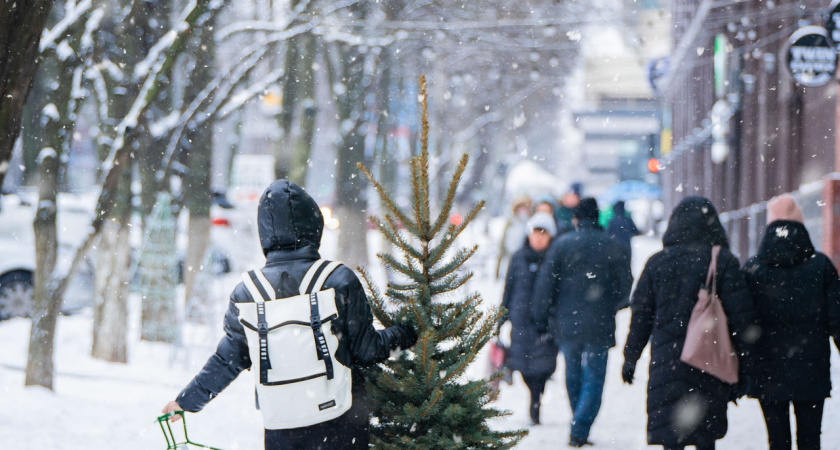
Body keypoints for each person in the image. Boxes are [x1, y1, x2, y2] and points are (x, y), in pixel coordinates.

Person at [161, 179, 418, 450]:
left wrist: (186, 401)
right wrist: (409, 331)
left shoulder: (248, 293)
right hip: (341, 420)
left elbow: (228, 359)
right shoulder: (338, 280)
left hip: (282, 426)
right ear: (313, 225)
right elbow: (368, 350)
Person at [622, 196, 757, 450]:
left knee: (672, 437)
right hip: (709, 360)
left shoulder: (657, 263)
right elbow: (742, 318)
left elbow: (641, 316)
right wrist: (746, 367)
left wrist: (631, 358)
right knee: (705, 436)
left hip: (667, 365)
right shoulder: (723, 261)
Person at [531, 197, 633, 447]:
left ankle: (578, 421)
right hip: (600, 323)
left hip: (567, 323)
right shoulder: (612, 245)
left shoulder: (561, 246)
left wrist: (542, 319)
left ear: (576, 218)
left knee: (573, 374)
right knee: (595, 377)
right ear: (597, 217)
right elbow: (625, 286)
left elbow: (545, 286)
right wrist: (611, 305)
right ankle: (581, 425)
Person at [742, 194, 840, 450]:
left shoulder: (753, 269)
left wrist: (744, 361)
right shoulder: (821, 266)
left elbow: (742, 319)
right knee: (810, 439)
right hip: (811, 368)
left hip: (768, 369)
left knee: (777, 440)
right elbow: (837, 319)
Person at [499, 212, 559, 426]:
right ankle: (534, 397)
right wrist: (501, 316)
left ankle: (536, 401)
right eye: (536, 233)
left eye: (544, 233)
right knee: (523, 367)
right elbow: (509, 288)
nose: (539, 238)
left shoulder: (555, 258)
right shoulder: (518, 257)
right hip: (520, 321)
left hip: (545, 323)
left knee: (543, 368)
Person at [495, 195, 533, 279]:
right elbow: (503, 243)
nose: (522, 211)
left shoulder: (531, 224)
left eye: (525, 208)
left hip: (524, 260)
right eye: (520, 208)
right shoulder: (511, 222)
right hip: (509, 258)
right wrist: (497, 269)